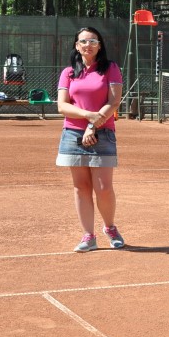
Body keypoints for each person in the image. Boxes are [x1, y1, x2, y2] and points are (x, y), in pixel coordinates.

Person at [56, 27, 124, 252]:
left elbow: (114, 102)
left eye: (93, 41)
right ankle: (88, 236)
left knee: (103, 187)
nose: (88, 45)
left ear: (100, 45)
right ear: (77, 46)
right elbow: (62, 106)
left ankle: (110, 227)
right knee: (81, 187)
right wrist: (87, 116)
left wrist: (92, 126)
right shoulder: (68, 73)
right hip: (72, 134)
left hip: (103, 133)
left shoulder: (111, 68)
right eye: (83, 41)